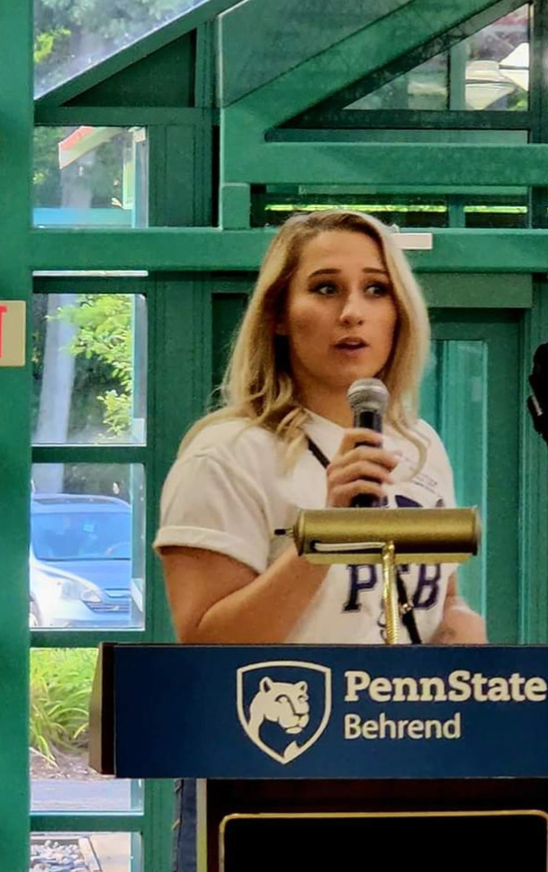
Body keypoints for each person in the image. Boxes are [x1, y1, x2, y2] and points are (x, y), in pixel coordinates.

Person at [152, 209, 486, 870]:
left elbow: (435, 599)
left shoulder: (420, 447)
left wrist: (461, 630)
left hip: (406, 764)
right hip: (269, 770)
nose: (352, 313)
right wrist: (321, 537)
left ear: (401, 314)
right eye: (326, 288)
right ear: (278, 314)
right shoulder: (227, 453)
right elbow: (206, 644)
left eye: (375, 289)